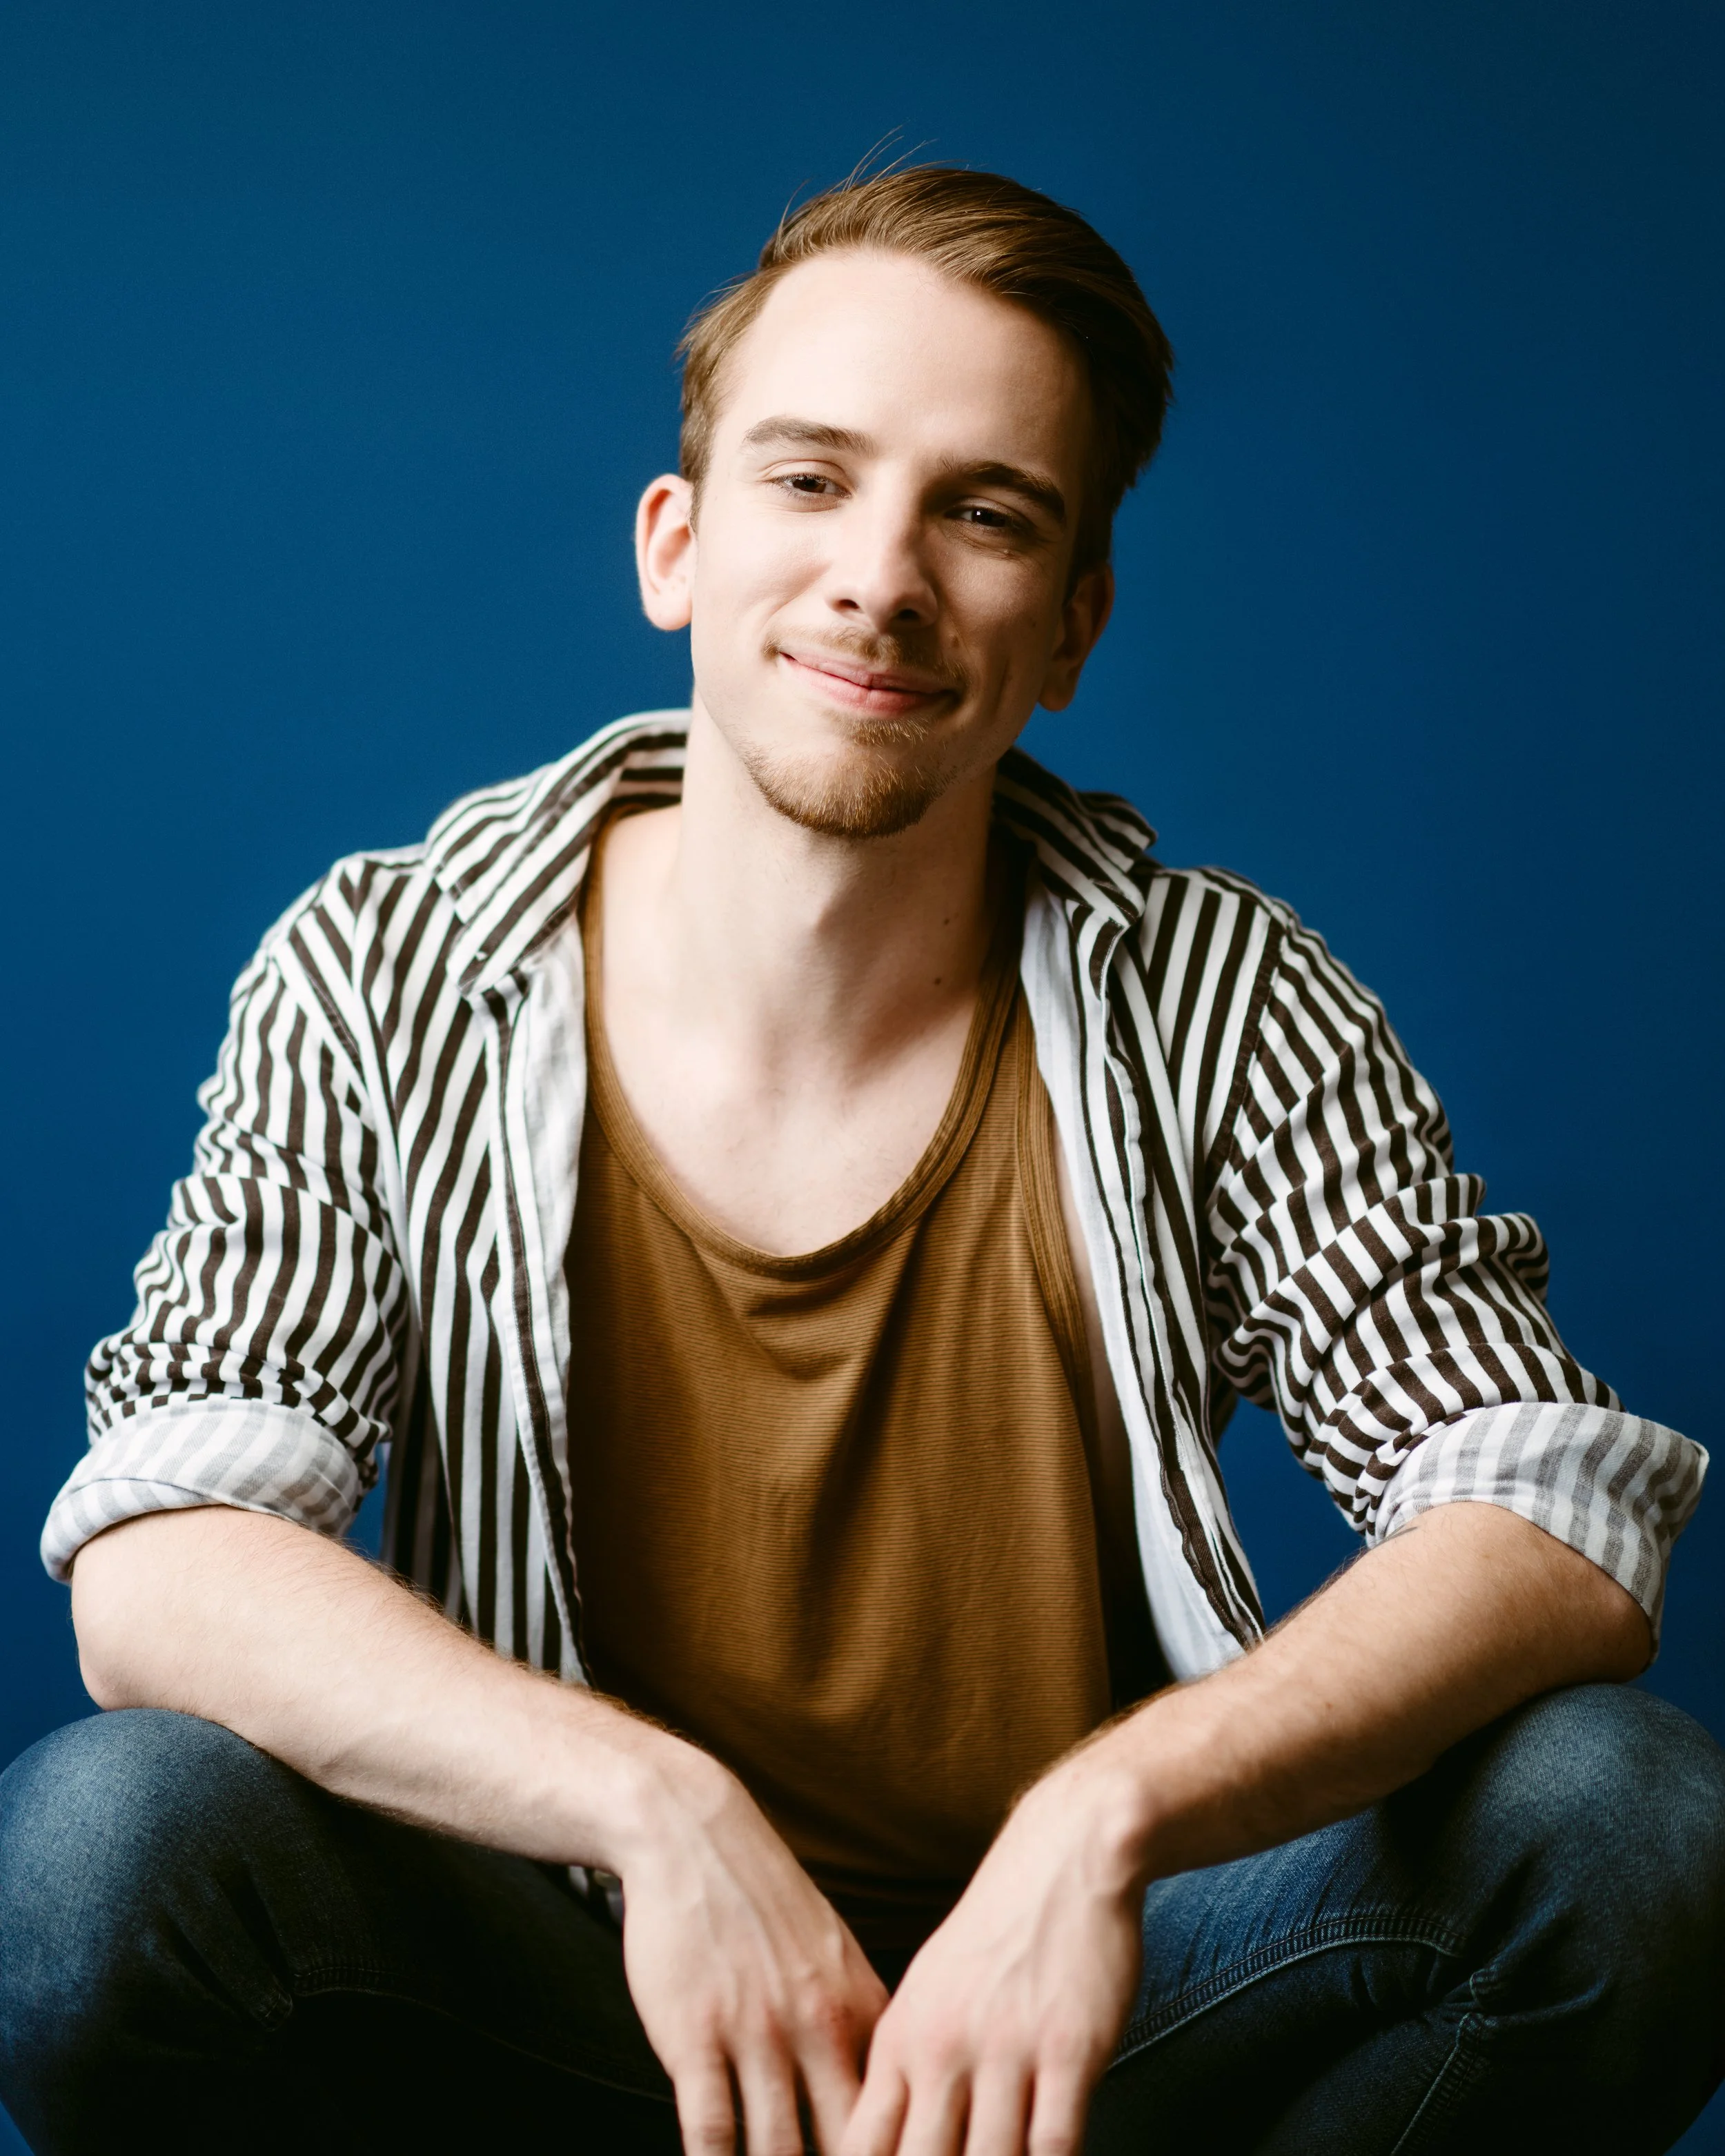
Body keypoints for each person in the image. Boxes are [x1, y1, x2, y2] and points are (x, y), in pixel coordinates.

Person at [0, 165, 1719, 2156]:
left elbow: (1547, 1502)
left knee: (1630, 1819)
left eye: (983, 514)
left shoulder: (1219, 994)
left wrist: (1107, 1817)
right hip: (576, 1995)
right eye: (808, 480)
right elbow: (166, 1544)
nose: (879, 579)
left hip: (1092, 2030)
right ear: (676, 541)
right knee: (87, 1863)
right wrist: (657, 1811)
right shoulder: (387, 967)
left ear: (1070, 624)